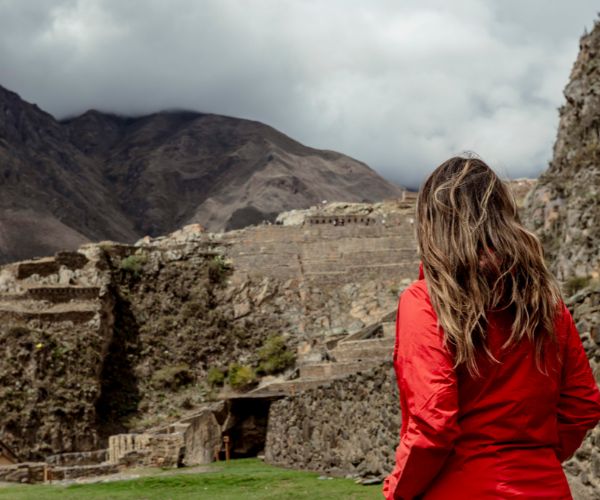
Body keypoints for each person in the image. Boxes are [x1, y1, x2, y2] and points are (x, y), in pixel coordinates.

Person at [382, 156, 600, 499]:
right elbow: (583, 404)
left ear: (432, 222)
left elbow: (432, 424)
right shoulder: (547, 303)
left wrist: (397, 491)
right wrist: (534, 458)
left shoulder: (425, 302)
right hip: (545, 486)